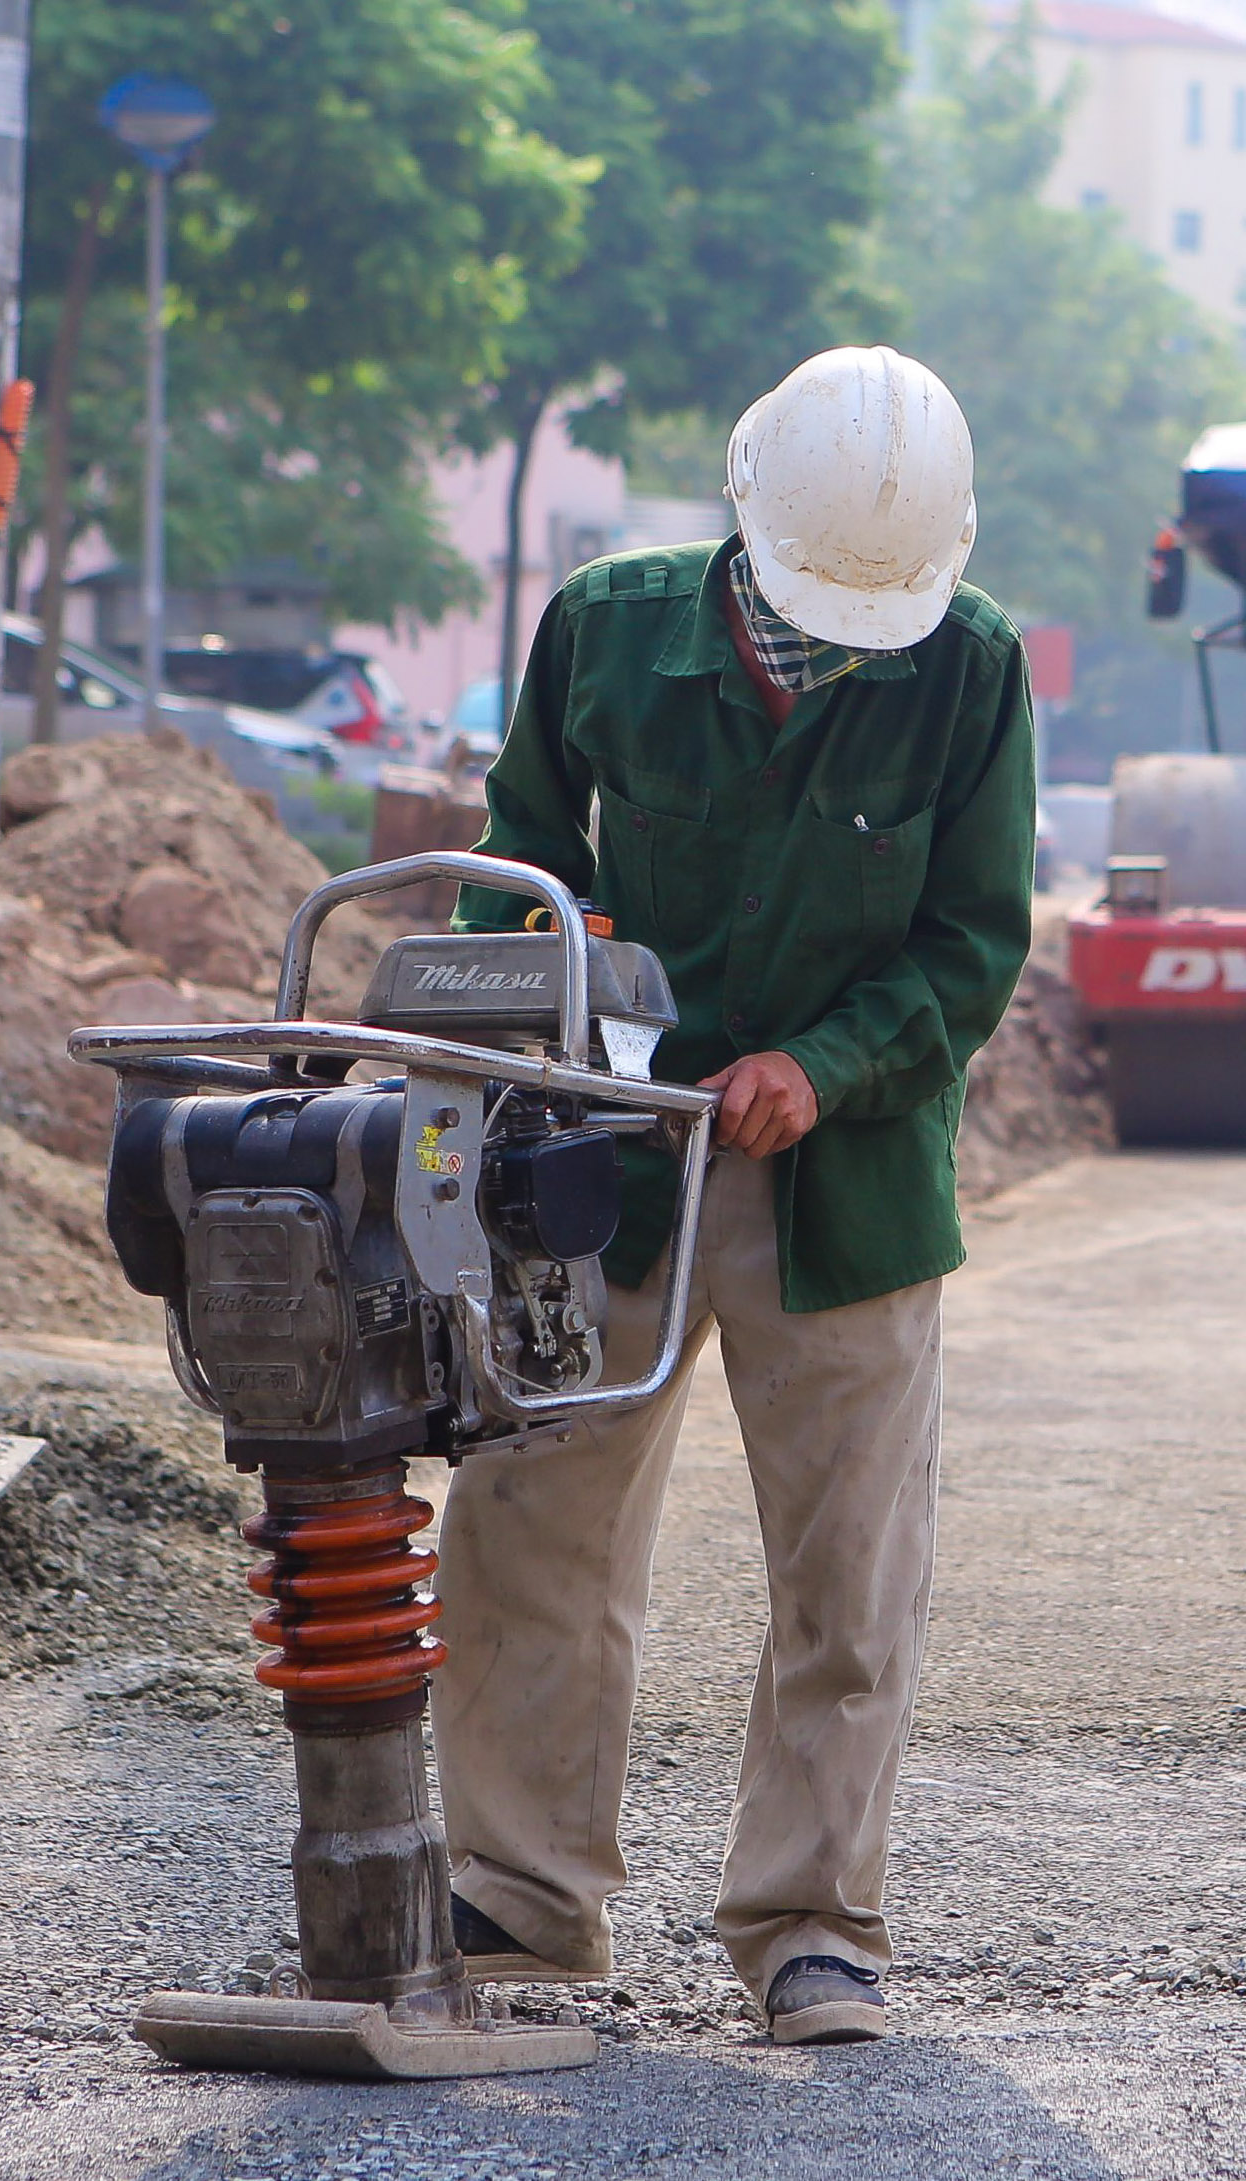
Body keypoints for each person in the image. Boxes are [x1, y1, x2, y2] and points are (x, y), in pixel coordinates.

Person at [430, 347, 1035, 2048]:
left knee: (848, 1568)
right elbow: (519, 859)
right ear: (746, 514)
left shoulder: (970, 671)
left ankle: (810, 1922)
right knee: (532, 1524)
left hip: (839, 1180)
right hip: (602, 1164)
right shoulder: (606, 631)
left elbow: (974, 942)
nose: (844, 633)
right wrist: (529, 1020)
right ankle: (523, 1893)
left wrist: (823, 1066)